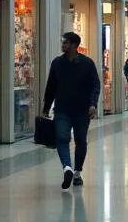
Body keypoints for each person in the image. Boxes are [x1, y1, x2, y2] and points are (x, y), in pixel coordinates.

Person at [42, 31, 101, 189]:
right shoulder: (57, 63)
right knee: (62, 138)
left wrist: (93, 104)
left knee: (81, 141)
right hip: (62, 109)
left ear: (74, 45)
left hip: (82, 111)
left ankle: (77, 172)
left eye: (65, 43)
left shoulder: (87, 63)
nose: (63, 45)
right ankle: (67, 167)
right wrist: (46, 107)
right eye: (63, 42)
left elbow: (95, 85)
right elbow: (51, 86)